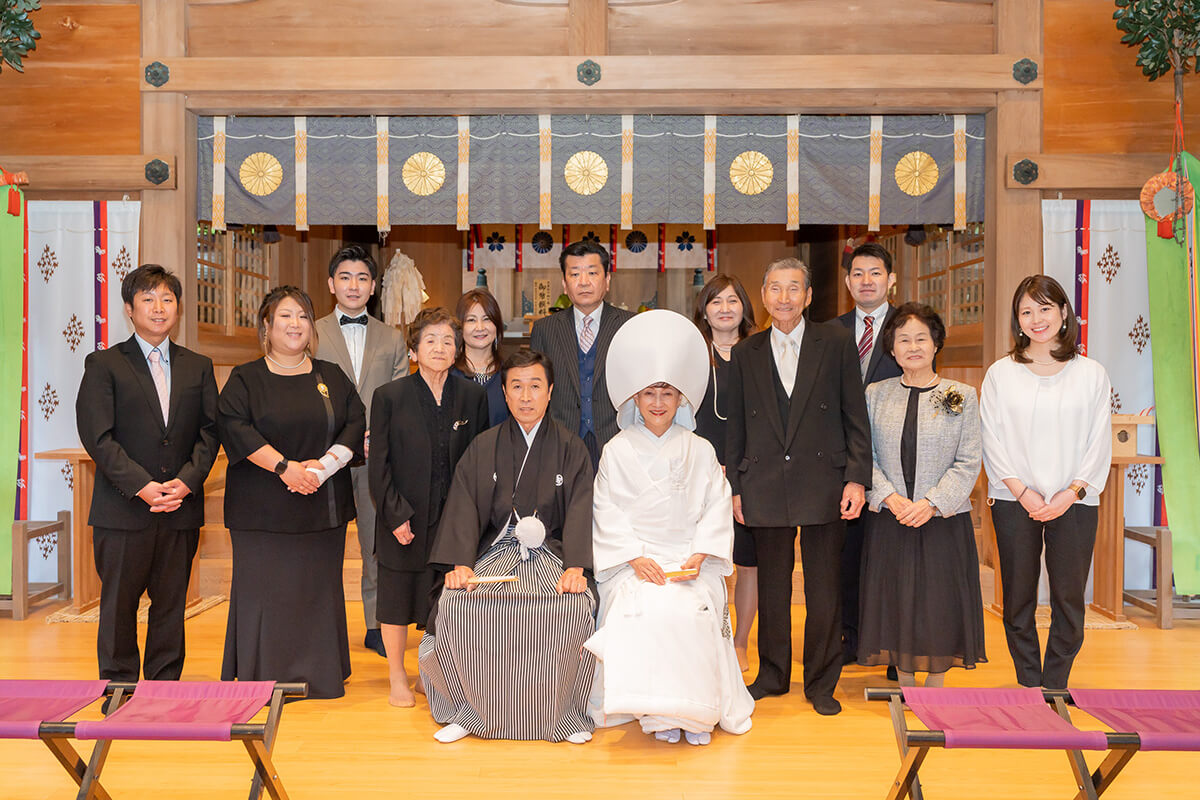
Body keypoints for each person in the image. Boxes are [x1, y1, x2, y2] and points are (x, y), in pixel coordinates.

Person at [587, 310, 754, 746]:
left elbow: (716, 508)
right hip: (636, 561)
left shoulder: (699, 450)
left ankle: (697, 716)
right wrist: (634, 558)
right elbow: (606, 512)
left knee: (690, 609)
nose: (658, 402)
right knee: (647, 608)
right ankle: (657, 713)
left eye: (666, 393)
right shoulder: (616, 451)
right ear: (634, 400)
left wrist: (701, 554)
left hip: (690, 560)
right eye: (648, 393)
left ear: (681, 398)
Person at [418, 349, 595, 744]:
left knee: (572, 608)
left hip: (552, 556)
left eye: (535, 386)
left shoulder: (571, 447)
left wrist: (578, 566)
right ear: (504, 392)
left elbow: (582, 507)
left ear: (550, 392)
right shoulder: (484, 446)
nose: (526, 396)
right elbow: (463, 503)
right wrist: (461, 562)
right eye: (517, 386)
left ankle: (561, 716)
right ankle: (468, 712)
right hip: (495, 555)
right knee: (456, 604)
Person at [725, 257, 871, 715]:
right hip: (764, 480)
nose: (784, 298)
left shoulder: (836, 341)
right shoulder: (746, 352)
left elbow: (854, 415)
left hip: (824, 479)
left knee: (824, 586)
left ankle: (821, 681)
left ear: (808, 296)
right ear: (764, 295)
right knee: (771, 586)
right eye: (774, 288)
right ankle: (771, 675)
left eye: (794, 289)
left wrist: (857, 479)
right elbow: (736, 430)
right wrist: (736, 487)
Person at [218, 286, 365, 700]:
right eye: (285, 316)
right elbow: (235, 427)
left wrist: (325, 466)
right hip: (260, 513)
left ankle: (319, 676)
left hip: (322, 508)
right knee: (264, 593)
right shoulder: (245, 378)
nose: (295, 324)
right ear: (267, 326)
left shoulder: (330, 376)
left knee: (318, 593)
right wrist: (284, 468)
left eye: (302, 316)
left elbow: (355, 421)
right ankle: (262, 678)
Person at [76, 264, 218, 683]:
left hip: (179, 506)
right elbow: (97, 436)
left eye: (167, 300)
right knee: (119, 605)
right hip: (122, 511)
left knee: (171, 604)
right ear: (129, 308)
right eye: (148, 299)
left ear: (178, 308)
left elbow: (211, 432)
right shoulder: (104, 364)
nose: (159, 308)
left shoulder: (198, 365)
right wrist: (140, 485)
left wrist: (188, 482)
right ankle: (118, 687)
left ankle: (163, 689)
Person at [981, 275, 1112, 690]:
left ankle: (1055, 684)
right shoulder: (1002, 374)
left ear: (1063, 313)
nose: (1036, 319)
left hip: (1074, 501)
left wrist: (1071, 492)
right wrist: (1022, 490)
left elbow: (1099, 439)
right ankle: (1028, 684)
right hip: (1012, 498)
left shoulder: (1090, 373)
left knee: (1069, 600)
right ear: (1017, 321)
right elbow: (991, 437)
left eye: (1045, 308)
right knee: (1017, 598)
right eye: (1026, 311)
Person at [857, 302, 986, 686]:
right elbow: (866, 456)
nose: (913, 346)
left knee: (938, 604)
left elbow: (968, 460)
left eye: (921, 338)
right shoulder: (875, 394)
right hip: (890, 516)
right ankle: (906, 685)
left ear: (936, 345)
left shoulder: (960, 394)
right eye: (903, 339)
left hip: (941, 520)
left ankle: (936, 688)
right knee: (897, 600)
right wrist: (890, 497)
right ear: (891, 349)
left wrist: (931, 503)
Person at [368, 308, 488, 707]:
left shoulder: (471, 397)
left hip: (452, 518)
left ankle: (428, 672)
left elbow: (478, 463)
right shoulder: (390, 397)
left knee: (442, 600)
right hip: (403, 515)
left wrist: (468, 522)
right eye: (430, 340)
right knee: (397, 598)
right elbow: (379, 464)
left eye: (448, 341)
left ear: (457, 351)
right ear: (414, 349)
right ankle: (396, 675)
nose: (440, 347)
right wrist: (395, 515)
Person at [314, 244, 408, 659]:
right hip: (323, 458)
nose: (354, 285)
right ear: (331, 284)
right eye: (346, 278)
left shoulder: (393, 338)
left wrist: (378, 436)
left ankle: (375, 623)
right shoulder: (310, 331)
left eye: (363, 278)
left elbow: (399, 397)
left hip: (375, 456)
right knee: (323, 543)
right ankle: (321, 623)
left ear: (373, 288)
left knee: (374, 544)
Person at [833, 241, 902, 670]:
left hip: (895, 459)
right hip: (842, 461)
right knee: (847, 554)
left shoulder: (910, 326)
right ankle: (851, 640)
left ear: (891, 279)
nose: (866, 281)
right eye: (857, 274)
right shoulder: (831, 330)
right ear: (847, 282)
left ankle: (898, 647)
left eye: (875, 273)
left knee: (892, 557)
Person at [692, 273, 758, 672]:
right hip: (702, 470)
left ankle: (741, 641)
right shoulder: (693, 353)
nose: (725, 309)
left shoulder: (760, 351)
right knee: (705, 556)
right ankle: (705, 637)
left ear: (745, 308)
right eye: (716, 301)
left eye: (733, 301)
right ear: (704, 309)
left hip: (750, 469)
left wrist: (738, 465)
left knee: (748, 560)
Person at [529, 239, 634, 468]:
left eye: (592, 273)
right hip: (560, 445)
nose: (584, 282)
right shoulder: (545, 329)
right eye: (575, 274)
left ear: (607, 280)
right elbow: (536, 388)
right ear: (565, 285)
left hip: (618, 442)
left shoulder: (630, 325)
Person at [451, 288, 509, 427]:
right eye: (471, 320)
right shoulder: (448, 376)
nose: (480, 327)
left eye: (487, 319)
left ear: (497, 326)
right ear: (460, 328)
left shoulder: (510, 374)